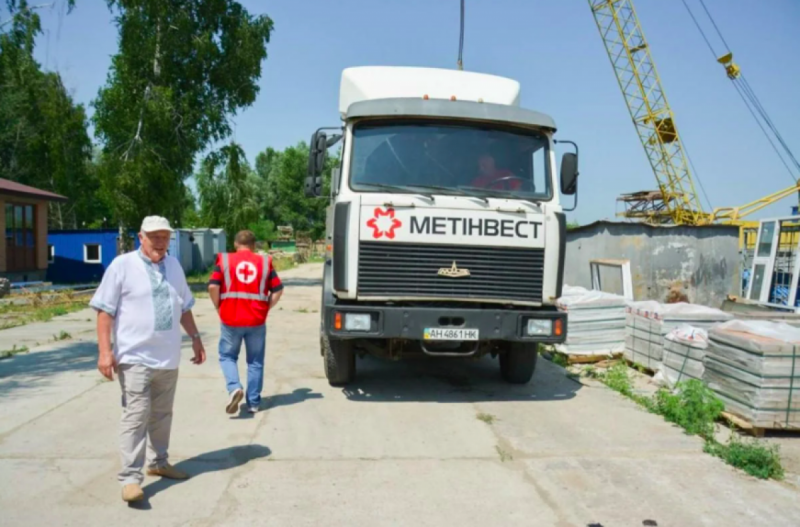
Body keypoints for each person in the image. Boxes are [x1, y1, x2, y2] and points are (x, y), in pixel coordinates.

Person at [90, 215, 206, 503]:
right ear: (140, 237)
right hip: (134, 356)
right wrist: (105, 352)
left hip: (167, 357)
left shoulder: (175, 266)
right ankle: (130, 478)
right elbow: (105, 311)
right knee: (136, 416)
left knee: (162, 415)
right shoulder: (122, 266)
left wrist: (195, 337)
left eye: (165, 236)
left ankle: (159, 462)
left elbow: (184, 307)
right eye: (154, 236)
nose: (160, 241)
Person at [208, 230, 283, 415]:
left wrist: (218, 306)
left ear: (235, 244)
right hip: (256, 320)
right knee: (255, 361)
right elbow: (278, 290)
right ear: (253, 245)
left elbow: (212, 286)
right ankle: (253, 403)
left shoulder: (224, 261)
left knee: (227, 356)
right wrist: (266, 307)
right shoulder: (264, 262)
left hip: (230, 318)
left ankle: (234, 387)